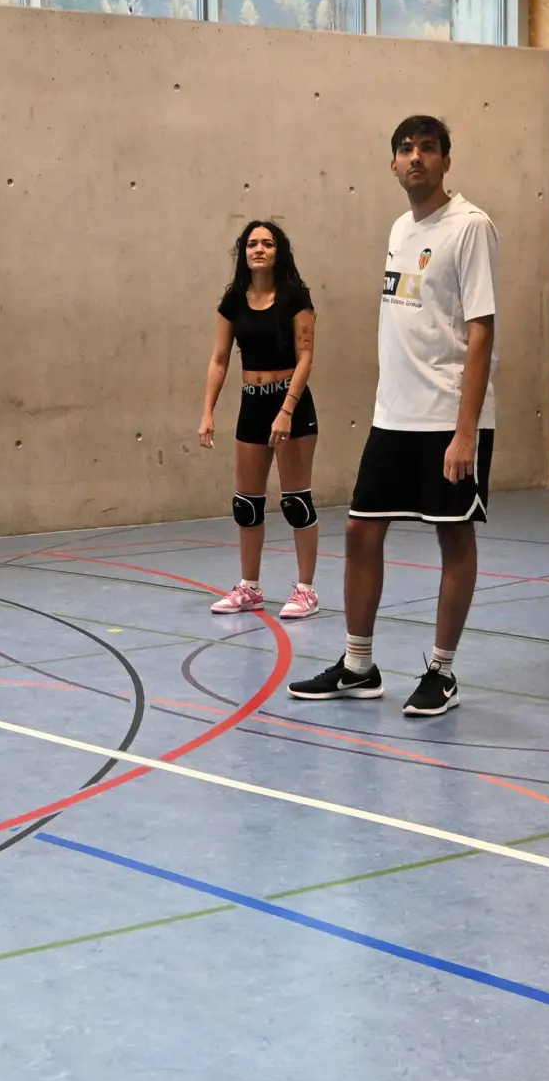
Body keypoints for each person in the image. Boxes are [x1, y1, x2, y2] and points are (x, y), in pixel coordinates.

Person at [288, 116, 498, 719]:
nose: (415, 159)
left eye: (427, 149)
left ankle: (442, 671)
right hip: (394, 417)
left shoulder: (471, 227)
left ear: (445, 161)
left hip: (449, 418)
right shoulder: (401, 227)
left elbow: (481, 332)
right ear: (392, 164)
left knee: (453, 535)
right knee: (360, 530)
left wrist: (466, 431)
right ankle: (359, 665)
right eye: (405, 150)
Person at [195, 219, 323, 620]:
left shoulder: (295, 297)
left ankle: (306, 590)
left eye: (267, 243)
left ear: (278, 251)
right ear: (244, 253)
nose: (259, 249)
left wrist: (286, 410)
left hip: (292, 406)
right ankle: (249, 588)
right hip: (252, 403)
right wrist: (208, 412)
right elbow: (219, 360)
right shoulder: (234, 300)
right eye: (252, 243)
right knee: (246, 505)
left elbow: (306, 357)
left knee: (295, 501)